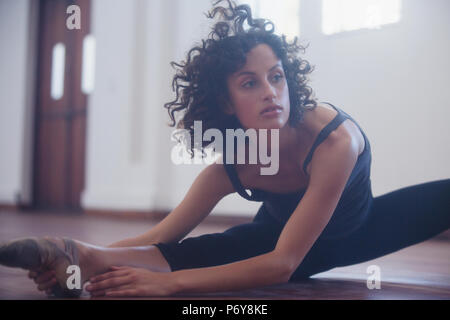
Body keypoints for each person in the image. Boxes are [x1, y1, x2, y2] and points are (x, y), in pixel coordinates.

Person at [0, 0, 449, 298]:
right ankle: (80, 256)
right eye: (250, 83)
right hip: (274, 236)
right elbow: (162, 236)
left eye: (276, 76)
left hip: (358, 229)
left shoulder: (335, 141)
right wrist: (82, 255)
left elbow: (282, 264)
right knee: (221, 246)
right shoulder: (229, 168)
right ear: (224, 103)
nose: (271, 91)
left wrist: (171, 285)